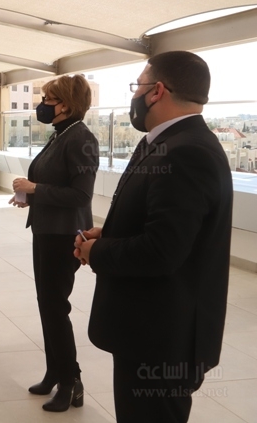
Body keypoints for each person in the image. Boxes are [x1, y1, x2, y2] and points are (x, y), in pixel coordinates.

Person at [75, 51, 232, 423]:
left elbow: (162, 251)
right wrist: (110, 232)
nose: (135, 95)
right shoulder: (168, 141)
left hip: (162, 341)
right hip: (147, 332)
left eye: (138, 85)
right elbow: (166, 226)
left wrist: (98, 252)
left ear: (157, 91)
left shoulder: (186, 151)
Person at [9, 75, 97, 411]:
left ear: (67, 105)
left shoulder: (81, 138)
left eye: (49, 98)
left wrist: (35, 189)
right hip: (47, 230)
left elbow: (80, 195)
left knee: (55, 307)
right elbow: (55, 181)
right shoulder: (61, 133)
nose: (42, 104)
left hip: (63, 236)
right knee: (47, 305)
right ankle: (55, 372)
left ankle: (71, 381)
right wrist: (31, 197)